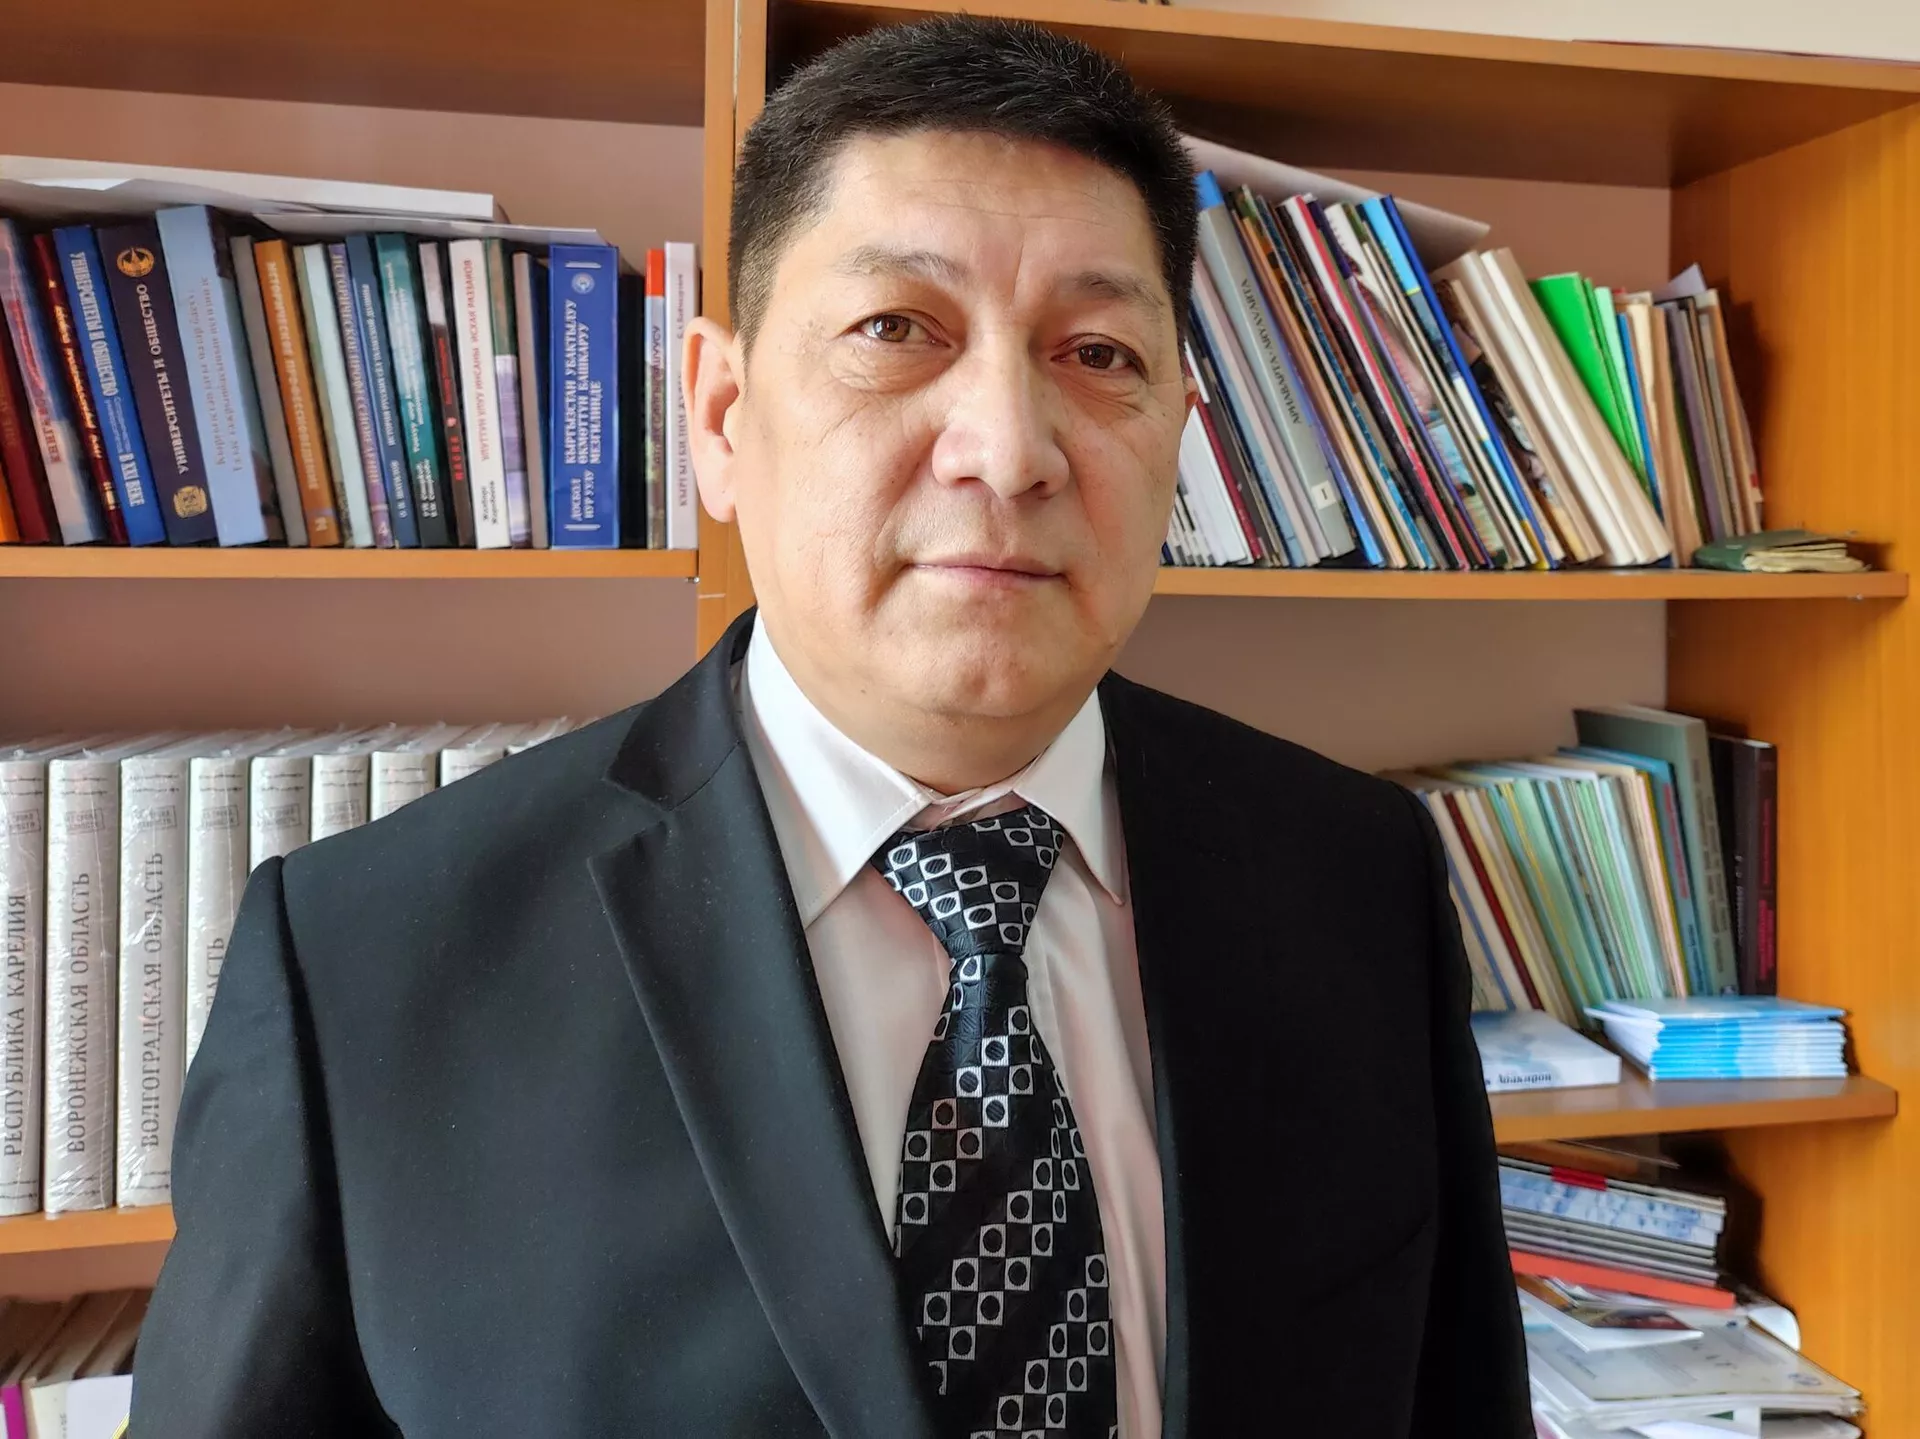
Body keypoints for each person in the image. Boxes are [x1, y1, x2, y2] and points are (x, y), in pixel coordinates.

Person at [131, 16, 1529, 1438]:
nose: (1009, 449)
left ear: (1178, 428)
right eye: (895, 331)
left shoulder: (1355, 876)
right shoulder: (364, 965)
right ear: (721, 417)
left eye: (1099, 352)